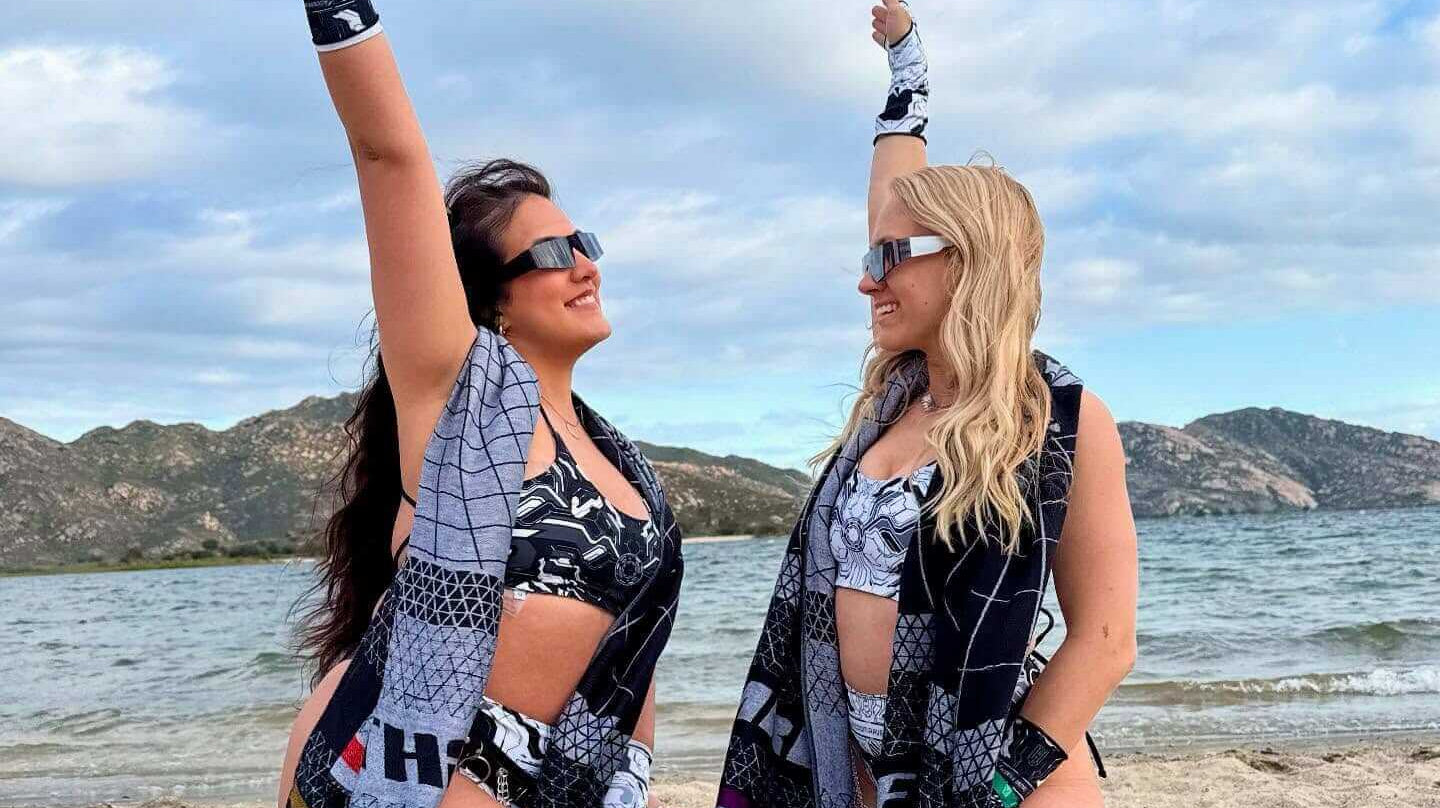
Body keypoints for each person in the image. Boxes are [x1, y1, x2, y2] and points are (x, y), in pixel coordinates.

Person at [716, 2, 1139, 807]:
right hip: (874, 770)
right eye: (870, 253)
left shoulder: (1057, 421)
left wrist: (998, 790)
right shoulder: (896, 397)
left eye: (890, 257)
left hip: (1002, 780)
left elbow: (1108, 640)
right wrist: (907, 74)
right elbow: (894, 202)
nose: (867, 277)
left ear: (968, 261)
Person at [273, 4, 684, 808]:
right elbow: (388, 157)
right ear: (491, 298)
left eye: (587, 244)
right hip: (400, 783)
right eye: (555, 254)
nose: (586, 267)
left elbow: (631, 662)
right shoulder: (458, 403)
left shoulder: (618, 459)